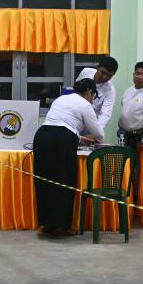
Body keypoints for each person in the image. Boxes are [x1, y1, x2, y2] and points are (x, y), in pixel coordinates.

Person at [33, 78, 104, 238]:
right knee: (65, 182)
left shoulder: (62, 99)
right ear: (89, 92)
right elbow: (99, 134)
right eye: (93, 96)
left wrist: (78, 137)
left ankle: (47, 224)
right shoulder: (85, 104)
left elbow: (60, 122)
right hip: (61, 141)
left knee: (45, 182)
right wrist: (84, 135)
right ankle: (62, 227)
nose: (92, 99)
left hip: (42, 136)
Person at [117, 62, 143, 200]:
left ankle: (136, 202)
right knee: (123, 168)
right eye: (137, 73)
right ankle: (124, 199)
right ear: (133, 74)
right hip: (124, 135)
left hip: (138, 139)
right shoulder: (128, 90)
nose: (140, 77)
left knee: (136, 171)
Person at [76, 56, 118, 132]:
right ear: (97, 67)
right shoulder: (86, 72)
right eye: (103, 72)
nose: (104, 77)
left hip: (91, 125)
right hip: (76, 119)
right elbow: (76, 90)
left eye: (109, 75)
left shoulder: (110, 90)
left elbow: (105, 114)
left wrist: (95, 132)